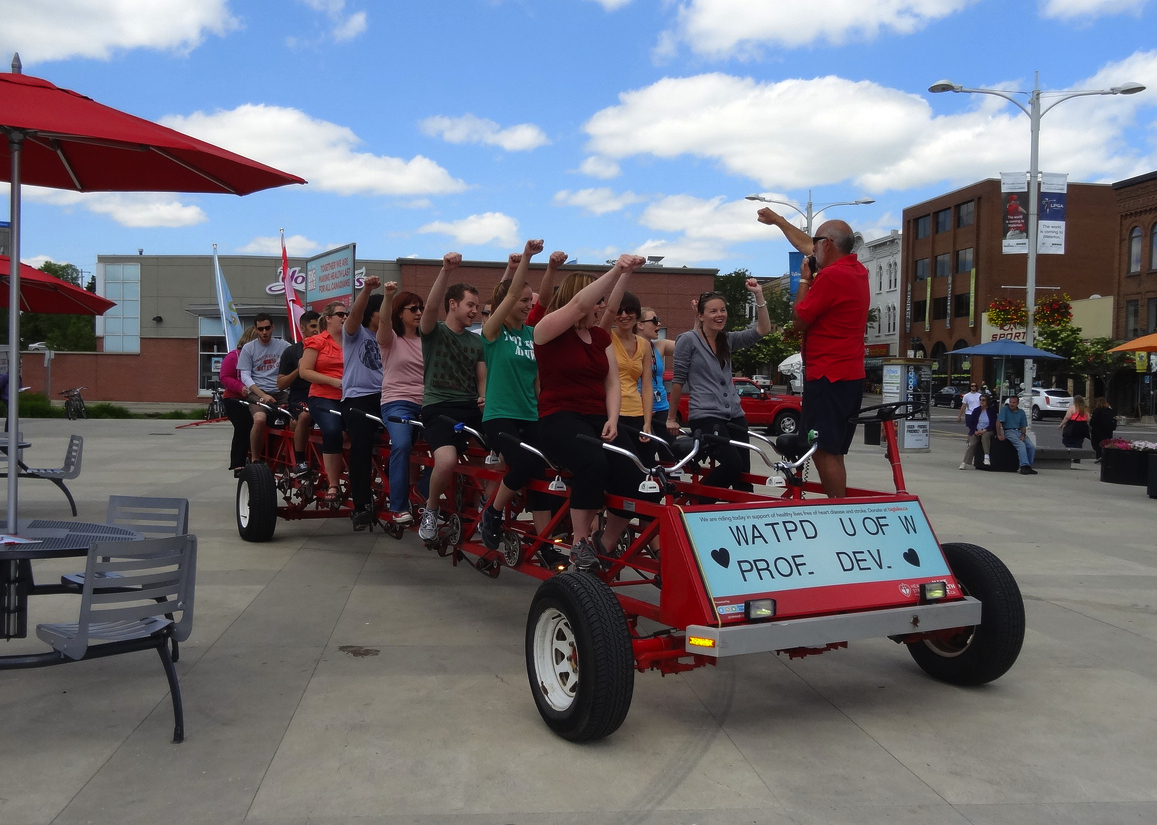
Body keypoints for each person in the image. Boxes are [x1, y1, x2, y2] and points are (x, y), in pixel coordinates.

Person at [534, 254, 650, 570]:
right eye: (597, 301)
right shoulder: (547, 330)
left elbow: (613, 382)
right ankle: (580, 542)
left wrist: (613, 419)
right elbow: (579, 307)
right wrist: (617, 269)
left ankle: (605, 543)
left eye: (601, 302)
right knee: (592, 462)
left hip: (598, 417)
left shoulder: (599, 337)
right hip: (559, 418)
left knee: (639, 476)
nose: (602, 307)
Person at [758, 209, 869, 497]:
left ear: (828, 245)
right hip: (849, 374)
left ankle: (837, 509)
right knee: (834, 448)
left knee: (822, 451)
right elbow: (809, 245)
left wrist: (805, 280)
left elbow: (799, 320)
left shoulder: (830, 277)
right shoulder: (856, 270)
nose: (812, 247)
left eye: (817, 241)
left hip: (827, 375)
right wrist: (780, 222)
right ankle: (839, 503)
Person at [479, 239, 555, 551]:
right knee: (523, 464)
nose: (527, 305)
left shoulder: (531, 334)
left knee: (541, 471)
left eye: (528, 300)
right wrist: (527, 257)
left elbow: (536, 381)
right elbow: (509, 293)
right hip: (499, 416)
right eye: (523, 300)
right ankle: (492, 513)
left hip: (529, 413)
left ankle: (545, 542)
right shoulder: (494, 332)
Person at [666, 280, 771, 493]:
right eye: (713, 311)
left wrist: (758, 295)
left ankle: (741, 519)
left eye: (722, 310)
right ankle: (696, 503)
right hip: (706, 416)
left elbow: (763, 329)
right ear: (700, 315)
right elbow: (678, 381)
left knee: (744, 478)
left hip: (735, 415)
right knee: (733, 465)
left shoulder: (727, 340)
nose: (719, 315)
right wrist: (670, 418)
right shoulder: (688, 340)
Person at [416, 253, 487, 542]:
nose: (475, 312)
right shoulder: (434, 332)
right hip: (438, 406)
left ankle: (486, 510)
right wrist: (445, 271)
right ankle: (431, 510)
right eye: (470, 305)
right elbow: (431, 305)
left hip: (471, 406)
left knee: (499, 455)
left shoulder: (477, 341)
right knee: (446, 461)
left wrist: (484, 398)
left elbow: (481, 375)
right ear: (453, 304)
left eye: (478, 307)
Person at [377, 283, 425, 526]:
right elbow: (384, 323)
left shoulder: (428, 340)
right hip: (397, 403)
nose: (419, 313)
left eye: (421, 309)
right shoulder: (390, 340)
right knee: (403, 444)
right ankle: (397, 507)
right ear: (400, 313)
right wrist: (388, 296)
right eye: (413, 308)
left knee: (454, 441)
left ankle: (422, 491)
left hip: (427, 404)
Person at [342, 276, 386, 530]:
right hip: (357, 398)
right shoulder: (355, 334)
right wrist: (367, 290)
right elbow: (355, 315)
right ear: (372, 313)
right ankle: (360, 504)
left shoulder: (389, 337)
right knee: (362, 444)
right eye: (383, 311)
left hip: (386, 397)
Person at [299, 303, 347, 504]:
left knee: (366, 430)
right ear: (328, 318)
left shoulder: (352, 340)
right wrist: (333, 381)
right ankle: (334, 483)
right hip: (323, 396)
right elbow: (305, 371)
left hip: (349, 396)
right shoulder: (317, 341)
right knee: (333, 430)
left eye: (347, 314)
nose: (344, 317)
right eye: (340, 314)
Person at [602, 290, 654, 455]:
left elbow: (646, 385)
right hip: (612, 411)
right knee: (622, 461)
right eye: (619, 311)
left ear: (637, 314)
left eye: (629, 311)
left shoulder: (644, 344)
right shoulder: (606, 337)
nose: (624, 315)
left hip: (637, 412)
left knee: (648, 454)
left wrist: (647, 422)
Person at [238, 312, 291, 464]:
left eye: (267, 328)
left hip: (280, 391)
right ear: (255, 329)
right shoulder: (249, 348)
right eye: (260, 329)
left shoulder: (284, 346)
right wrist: (263, 395)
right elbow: (245, 377)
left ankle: (289, 458)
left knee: (298, 419)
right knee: (260, 419)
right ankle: (255, 459)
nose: (264, 332)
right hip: (258, 392)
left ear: (273, 327)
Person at [277, 310, 321, 471]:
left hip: (324, 393)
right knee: (304, 415)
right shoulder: (291, 352)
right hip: (301, 395)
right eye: (313, 326)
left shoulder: (328, 348)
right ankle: (300, 461)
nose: (317, 330)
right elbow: (280, 384)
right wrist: (300, 369)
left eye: (320, 326)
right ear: (302, 328)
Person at [639, 305, 675, 463]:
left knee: (670, 453)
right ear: (640, 324)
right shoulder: (628, 348)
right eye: (654, 320)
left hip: (662, 408)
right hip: (640, 409)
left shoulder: (659, 347)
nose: (659, 324)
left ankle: (671, 485)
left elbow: (689, 346)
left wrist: (697, 319)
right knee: (647, 452)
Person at [220, 325, 257, 475]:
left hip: (255, 398)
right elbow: (224, 377)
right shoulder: (233, 356)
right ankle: (238, 462)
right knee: (244, 425)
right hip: (234, 399)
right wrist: (239, 387)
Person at [997, 394, 1036, 475]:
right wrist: (999, 434)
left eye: (1014, 402)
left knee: (1031, 446)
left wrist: (1023, 435)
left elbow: (1023, 426)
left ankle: (1029, 466)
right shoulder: (1005, 410)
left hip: (1018, 431)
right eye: (1010, 402)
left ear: (1017, 403)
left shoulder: (1021, 413)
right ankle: (1023, 466)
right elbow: (998, 422)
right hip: (1009, 431)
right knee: (1021, 445)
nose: (1011, 404)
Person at [960, 394, 994, 469]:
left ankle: (986, 456)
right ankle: (965, 462)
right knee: (972, 444)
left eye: (983, 400)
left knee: (985, 437)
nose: (981, 402)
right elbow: (971, 423)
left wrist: (985, 430)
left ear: (987, 401)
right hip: (977, 431)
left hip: (987, 430)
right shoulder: (976, 410)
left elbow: (993, 424)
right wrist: (975, 431)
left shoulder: (991, 411)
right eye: (980, 400)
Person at [1089, 397, 1117, 463]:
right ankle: (1105, 456)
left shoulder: (1097, 411)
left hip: (1097, 431)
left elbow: (1092, 422)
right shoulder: (1110, 411)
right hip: (1108, 431)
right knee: (1106, 444)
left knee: (1096, 444)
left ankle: (1099, 456)